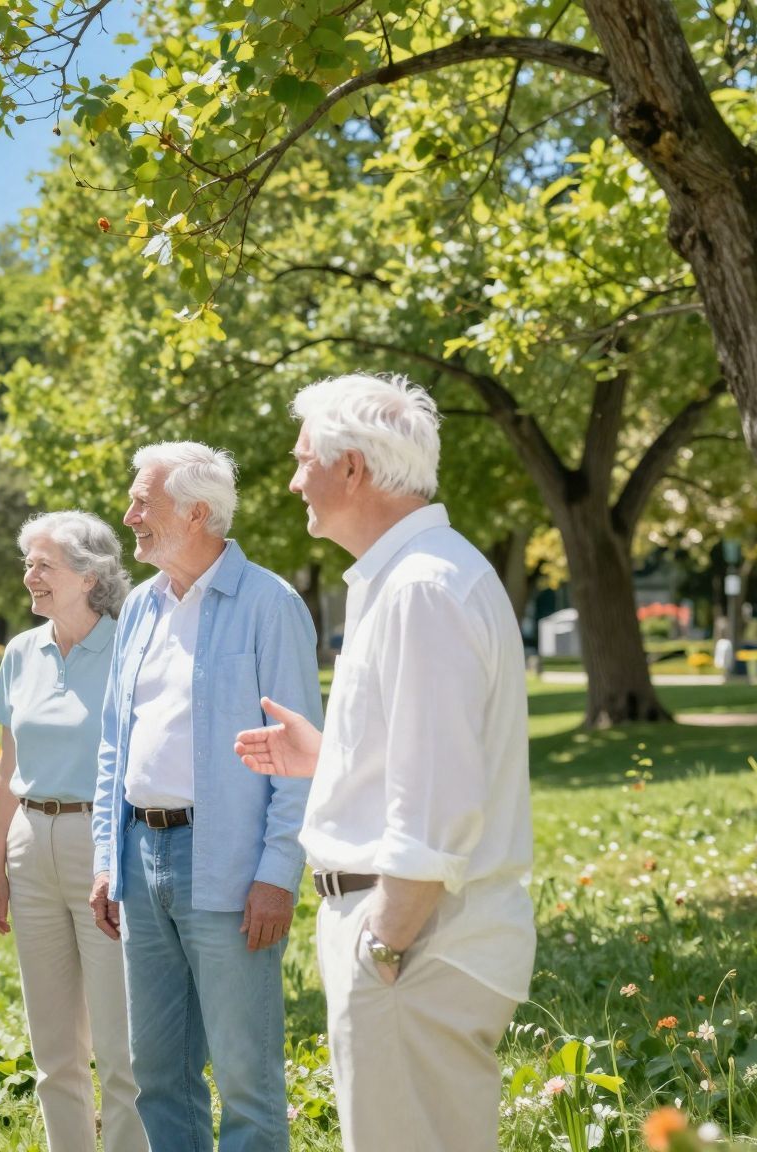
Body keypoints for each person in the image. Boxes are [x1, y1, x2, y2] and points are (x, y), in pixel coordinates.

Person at [237, 374, 534, 1152]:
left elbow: (439, 802)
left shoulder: (421, 588)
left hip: (415, 947)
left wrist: (383, 944)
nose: (293, 480)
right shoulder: (412, 577)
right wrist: (331, 757)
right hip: (412, 943)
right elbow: (427, 752)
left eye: (303, 459)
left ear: (352, 469)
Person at [88, 441, 320, 1152]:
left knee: (247, 1079)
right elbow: (113, 743)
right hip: (139, 857)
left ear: (195, 512)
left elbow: (299, 758)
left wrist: (278, 875)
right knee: (158, 1073)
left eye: (142, 502)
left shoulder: (269, 604)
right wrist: (107, 857)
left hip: (229, 866)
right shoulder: (139, 607)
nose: (129, 516)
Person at [0, 511, 144, 1152]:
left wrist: (116, 859)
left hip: (103, 846)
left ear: (89, 575)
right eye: (29, 564)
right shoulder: (21, 652)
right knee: (53, 1049)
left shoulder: (131, 646)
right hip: (30, 845)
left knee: (120, 1044)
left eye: (44, 564)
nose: (30, 576)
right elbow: (5, 769)